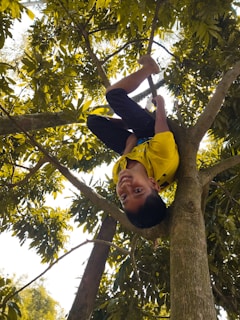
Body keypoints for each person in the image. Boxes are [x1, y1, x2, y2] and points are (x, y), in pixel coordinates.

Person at [87, 55, 179, 228]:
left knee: (93, 121)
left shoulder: (118, 173)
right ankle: (150, 68)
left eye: (124, 197)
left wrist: (128, 128)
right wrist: (160, 105)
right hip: (153, 134)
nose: (126, 187)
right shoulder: (164, 159)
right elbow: (161, 126)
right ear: (153, 184)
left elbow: (130, 139)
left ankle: (130, 119)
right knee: (113, 95)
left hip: (135, 144)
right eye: (137, 191)